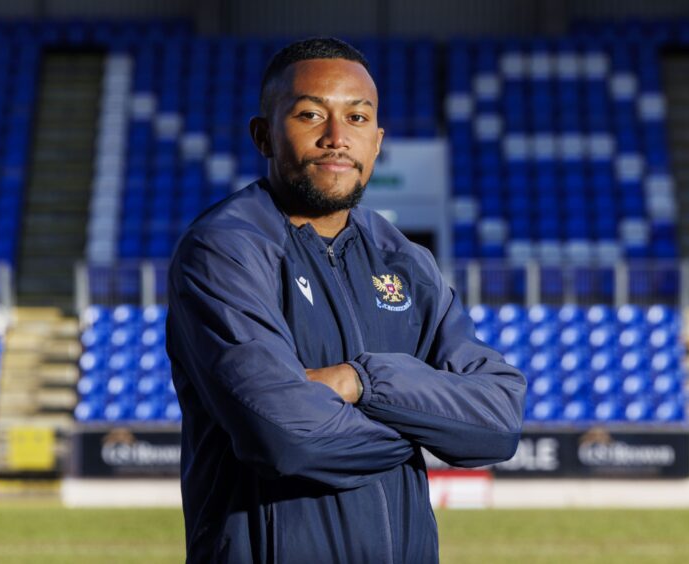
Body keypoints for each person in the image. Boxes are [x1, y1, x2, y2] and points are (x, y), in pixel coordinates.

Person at [166, 37, 526, 563]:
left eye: (357, 119)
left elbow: (498, 420)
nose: (337, 138)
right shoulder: (225, 250)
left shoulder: (406, 261)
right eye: (311, 115)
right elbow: (286, 437)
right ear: (263, 135)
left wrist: (363, 382)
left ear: (376, 143)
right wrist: (424, 429)